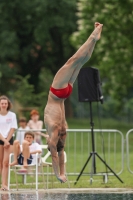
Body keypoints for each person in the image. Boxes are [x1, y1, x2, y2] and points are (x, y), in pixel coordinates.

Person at [44, 22, 103, 183]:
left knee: (78, 61)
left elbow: (57, 154)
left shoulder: (60, 132)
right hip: (57, 93)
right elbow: (58, 154)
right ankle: (93, 37)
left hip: (62, 94)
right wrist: (59, 173)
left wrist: (59, 174)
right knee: (75, 60)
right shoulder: (57, 132)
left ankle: (94, 39)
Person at [0, 95, 18, 191]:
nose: (3, 105)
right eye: (2, 103)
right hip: (1, 138)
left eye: (5, 103)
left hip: (9, 138)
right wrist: (4, 140)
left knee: (6, 162)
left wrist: (7, 140)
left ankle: (4, 184)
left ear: (8, 104)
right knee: (0, 162)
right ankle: (2, 183)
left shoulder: (12, 115)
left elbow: (13, 128)